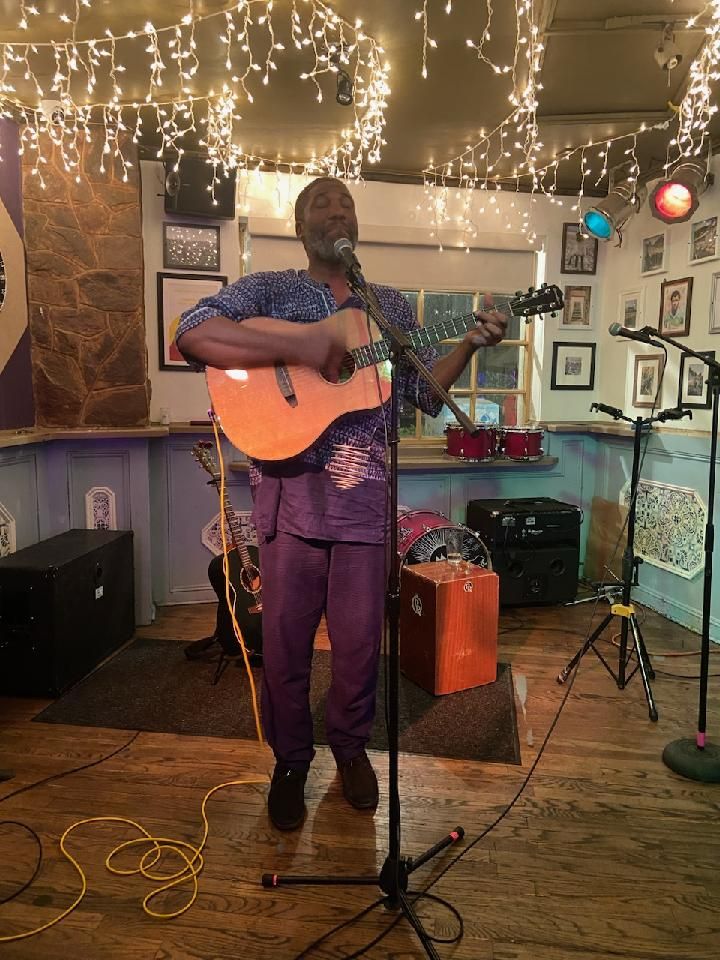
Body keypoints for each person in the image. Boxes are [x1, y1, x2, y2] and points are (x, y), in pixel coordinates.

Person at [175, 177, 508, 831]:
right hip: (289, 506)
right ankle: (291, 762)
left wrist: (470, 343)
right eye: (322, 204)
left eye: (346, 204)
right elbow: (192, 332)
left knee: (359, 648)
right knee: (285, 648)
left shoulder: (387, 307)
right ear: (302, 228)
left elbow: (424, 392)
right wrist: (301, 345)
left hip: (364, 512)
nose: (337, 211)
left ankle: (351, 750)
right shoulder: (269, 290)